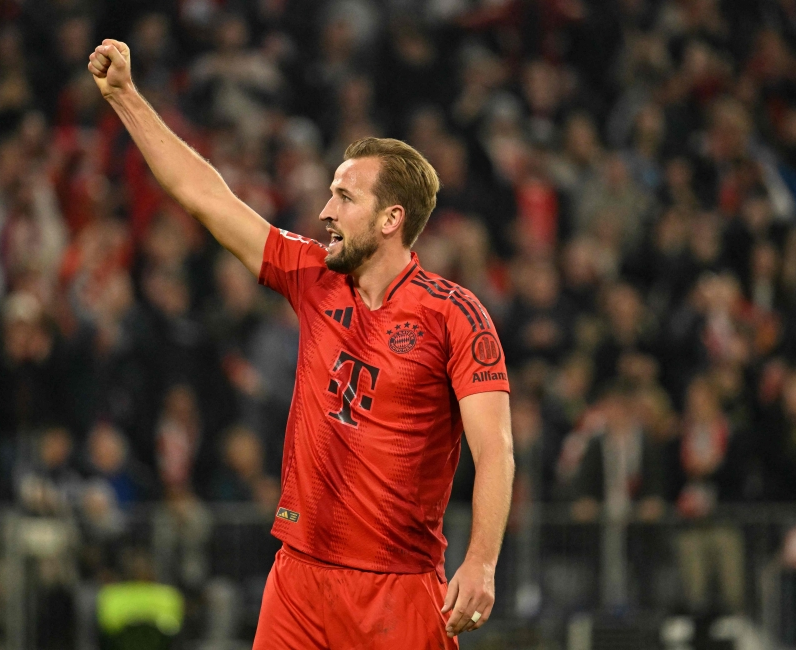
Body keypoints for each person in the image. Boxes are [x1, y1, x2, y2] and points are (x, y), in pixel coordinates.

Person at [88, 39, 515, 647]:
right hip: (298, 578)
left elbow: (495, 449)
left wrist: (482, 562)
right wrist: (127, 99)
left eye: (344, 196)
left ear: (391, 219)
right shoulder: (313, 277)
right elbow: (206, 196)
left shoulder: (455, 316)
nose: (324, 210)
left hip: (394, 588)